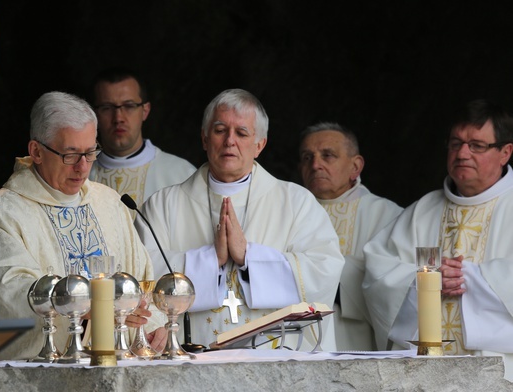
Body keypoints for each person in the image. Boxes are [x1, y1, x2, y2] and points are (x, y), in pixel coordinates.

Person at [0, 91, 165, 360]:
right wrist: (85, 305)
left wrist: (151, 328)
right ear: (36, 151)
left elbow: (140, 280)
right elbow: (9, 295)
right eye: (70, 155)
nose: (82, 167)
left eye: (90, 152)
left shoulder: (109, 204)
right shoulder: (2, 214)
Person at [136, 89, 344, 351]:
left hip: (278, 357)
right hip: (192, 355)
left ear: (260, 145)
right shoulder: (163, 206)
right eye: (220, 130)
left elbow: (324, 270)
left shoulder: (296, 203)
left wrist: (249, 256)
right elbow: (141, 275)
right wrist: (211, 260)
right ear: (204, 138)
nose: (229, 141)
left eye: (242, 133)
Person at [363, 99, 513, 379]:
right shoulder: (423, 211)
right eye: (455, 143)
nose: (463, 153)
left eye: (477, 145)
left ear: (505, 152)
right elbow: (377, 273)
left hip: (500, 371)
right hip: (425, 370)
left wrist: (474, 277)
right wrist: (426, 281)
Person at [298, 122, 403, 351]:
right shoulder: (289, 212)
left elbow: (395, 284)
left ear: (355, 166)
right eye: (307, 157)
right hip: (298, 341)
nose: (316, 165)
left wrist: (323, 275)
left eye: (328, 156)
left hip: (357, 344)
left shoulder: (389, 216)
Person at [88, 67, 196, 207]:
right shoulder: (78, 174)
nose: (118, 118)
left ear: (145, 111)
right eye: (107, 108)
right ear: (93, 114)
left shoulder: (182, 176)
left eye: (129, 106)